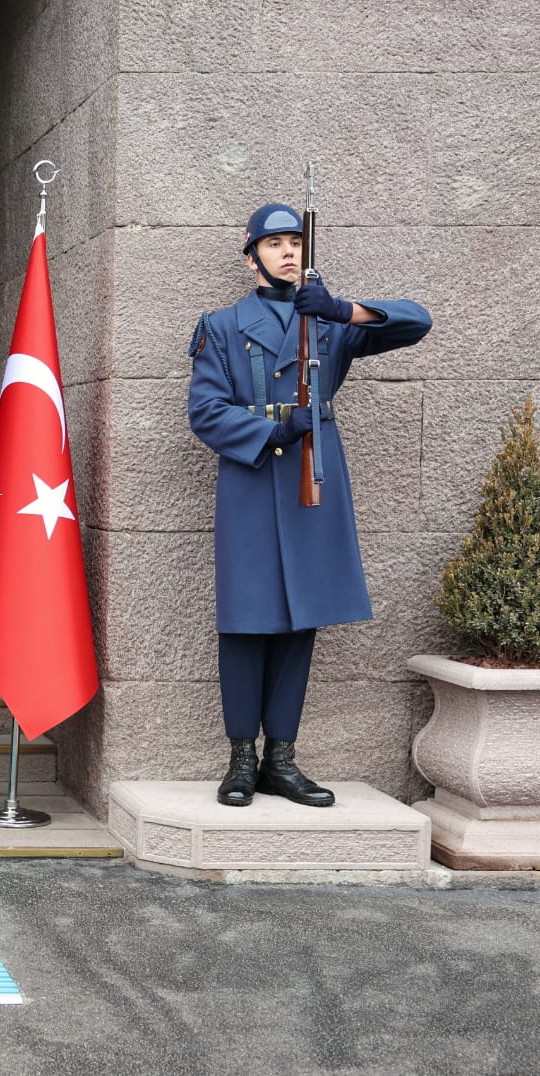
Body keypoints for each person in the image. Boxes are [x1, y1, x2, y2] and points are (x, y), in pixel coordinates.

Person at [188, 202, 431, 808]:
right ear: (252, 258)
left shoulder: (323, 320)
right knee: (245, 622)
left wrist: (341, 309)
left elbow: (417, 321)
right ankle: (242, 758)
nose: (288, 251)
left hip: (312, 483)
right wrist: (273, 429)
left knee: (301, 621)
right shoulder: (221, 326)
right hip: (251, 480)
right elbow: (205, 410)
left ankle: (282, 761)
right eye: (274, 244)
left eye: (296, 241)